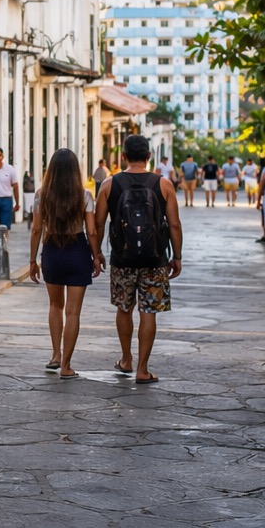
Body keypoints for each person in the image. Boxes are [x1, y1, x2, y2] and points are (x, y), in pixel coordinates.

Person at [93, 133, 182, 385]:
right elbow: (174, 224)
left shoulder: (109, 185)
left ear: (123, 157)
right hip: (155, 259)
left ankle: (126, 359)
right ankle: (143, 369)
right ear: (149, 156)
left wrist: (97, 252)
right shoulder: (163, 185)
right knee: (148, 311)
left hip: (122, 258)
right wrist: (176, 256)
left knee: (124, 308)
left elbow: (98, 223)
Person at [27, 148, 100, 379]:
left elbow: (37, 229)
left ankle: (56, 354)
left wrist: (32, 260)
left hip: (52, 251)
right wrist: (96, 255)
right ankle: (67, 366)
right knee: (73, 312)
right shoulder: (84, 196)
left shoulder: (41, 195)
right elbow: (92, 231)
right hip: (77, 252)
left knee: (55, 305)